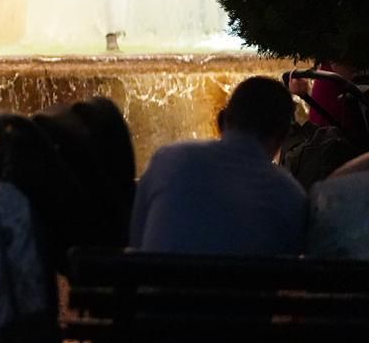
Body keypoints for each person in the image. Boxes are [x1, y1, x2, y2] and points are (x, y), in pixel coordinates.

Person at [130, 76, 306, 256]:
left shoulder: (167, 160)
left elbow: (135, 242)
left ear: (221, 120)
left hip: (158, 281)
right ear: (282, 137)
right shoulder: (289, 195)